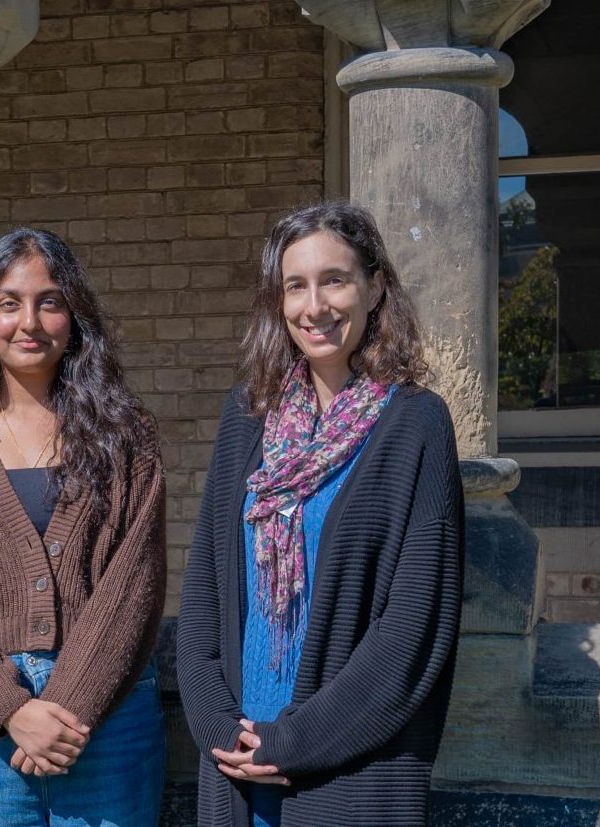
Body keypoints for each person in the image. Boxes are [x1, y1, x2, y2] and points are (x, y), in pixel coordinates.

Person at [177, 201, 465, 826]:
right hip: (236, 767)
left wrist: (294, 743)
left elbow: (413, 629)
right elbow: (205, 589)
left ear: (375, 287)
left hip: (347, 772)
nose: (316, 306)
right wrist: (215, 723)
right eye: (295, 286)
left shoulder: (415, 424)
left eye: (335, 280)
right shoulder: (247, 415)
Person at [0, 227, 167, 826]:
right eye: (9, 303)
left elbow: (135, 583)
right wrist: (10, 709)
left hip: (107, 714)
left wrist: (66, 708)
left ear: (74, 317)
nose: (29, 321)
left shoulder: (125, 436)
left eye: (50, 302)